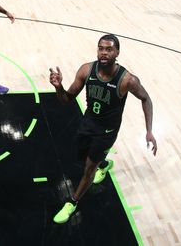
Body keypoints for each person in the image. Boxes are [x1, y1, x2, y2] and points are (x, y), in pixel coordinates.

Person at [48, 34, 157, 224]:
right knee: (82, 159)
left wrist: (149, 131)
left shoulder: (127, 80)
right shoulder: (86, 70)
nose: (104, 52)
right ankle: (104, 165)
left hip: (106, 133)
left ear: (117, 53)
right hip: (87, 124)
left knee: (89, 170)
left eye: (109, 49)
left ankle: (72, 202)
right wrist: (59, 87)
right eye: (101, 48)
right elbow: (67, 99)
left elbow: (146, 98)